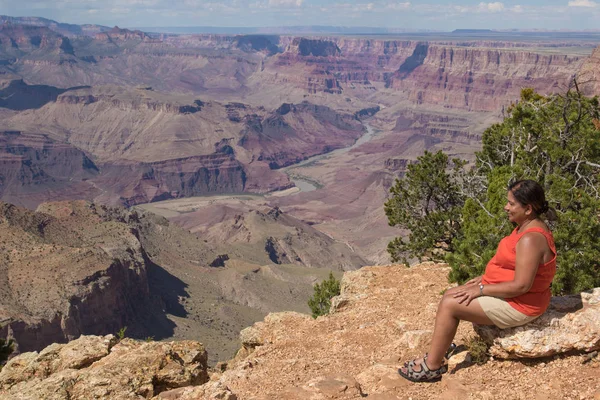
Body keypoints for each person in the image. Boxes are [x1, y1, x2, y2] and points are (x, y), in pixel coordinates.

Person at [399, 179, 557, 382]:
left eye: (511, 203)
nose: (505, 207)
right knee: (451, 294)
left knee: (450, 305)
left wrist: (482, 288)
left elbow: (521, 285)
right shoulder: (525, 226)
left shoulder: (530, 238)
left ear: (527, 208)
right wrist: (485, 278)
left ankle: (432, 366)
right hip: (520, 296)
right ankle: (439, 350)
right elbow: (515, 268)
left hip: (523, 305)